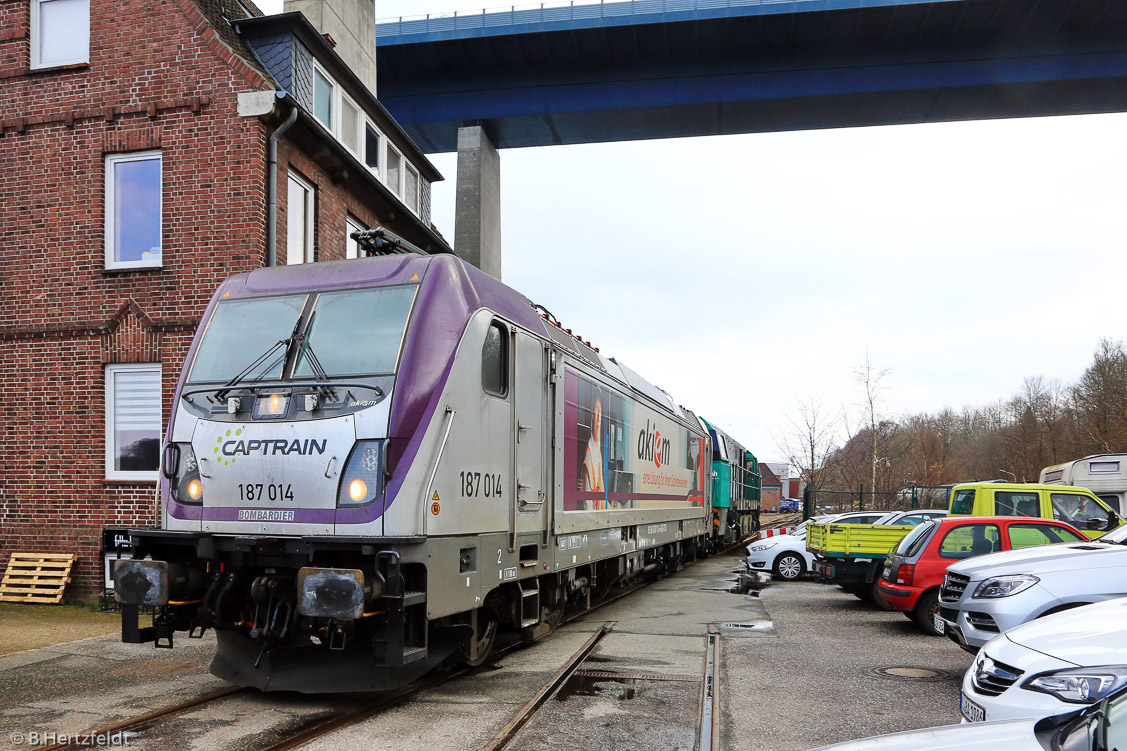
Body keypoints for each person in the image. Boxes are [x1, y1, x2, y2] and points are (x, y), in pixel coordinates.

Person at [581, 397, 605, 502]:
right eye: (596, 410)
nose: (599, 417)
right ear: (591, 413)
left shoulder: (598, 452)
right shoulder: (589, 454)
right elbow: (588, 502)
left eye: (600, 411)